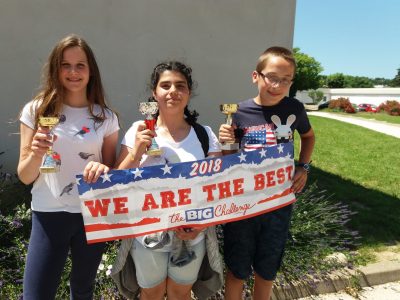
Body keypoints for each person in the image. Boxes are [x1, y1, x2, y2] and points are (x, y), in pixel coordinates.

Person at [110, 61, 224, 300]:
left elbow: (218, 187)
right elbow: (115, 182)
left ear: (189, 92)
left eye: (180, 85)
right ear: (155, 93)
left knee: (180, 294)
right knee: (150, 294)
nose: (173, 91)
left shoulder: (205, 135)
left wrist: (202, 224)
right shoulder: (138, 131)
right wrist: (136, 152)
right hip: (147, 235)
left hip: (192, 236)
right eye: (165, 85)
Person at [17, 34, 119, 300]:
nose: (73, 72)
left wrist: (103, 168)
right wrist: (37, 153)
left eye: (80, 65)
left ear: (91, 70)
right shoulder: (36, 111)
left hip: (92, 214)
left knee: (83, 292)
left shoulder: (106, 118)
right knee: (36, 294)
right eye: (65, 65)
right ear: (55, 69)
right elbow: (25, 176)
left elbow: (111, 171)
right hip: (49, 213)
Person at [219, 46, 315, 300]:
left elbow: (308, 136)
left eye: (285, 80)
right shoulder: (238, 112)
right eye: (272, 77)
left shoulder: (294, 108)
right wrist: (226, 142)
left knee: (267, 271)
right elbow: (230, 162)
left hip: (279, 203)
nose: (278, 85)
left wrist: (303, 166)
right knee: (237, 271)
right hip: (243, 205)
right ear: (256, 76)